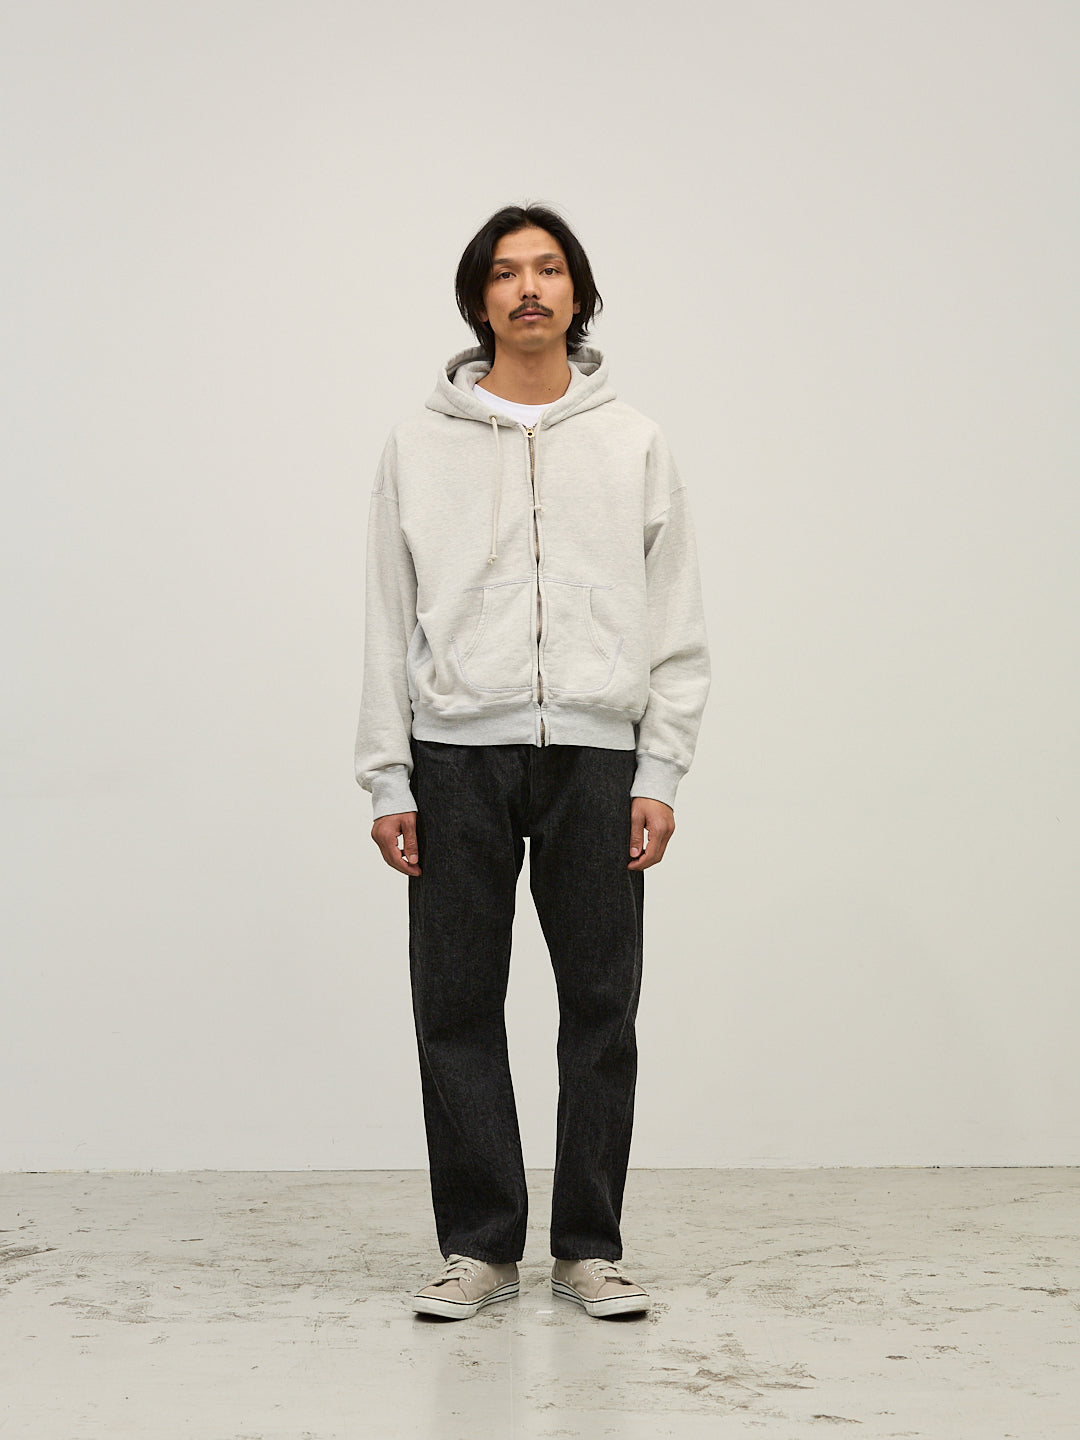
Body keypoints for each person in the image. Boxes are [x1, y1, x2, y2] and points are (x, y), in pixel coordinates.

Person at [355, 203, 710, 1320]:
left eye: (548, 269)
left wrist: (659, 771)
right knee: (456, 1004)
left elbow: (677, 621)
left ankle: (589, 1248)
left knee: (602, 1005)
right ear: (478, 300)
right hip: (455, 756)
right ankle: (480, 1247)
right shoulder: (418, 445)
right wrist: (387, 775)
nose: (528, 289)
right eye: (506, 273)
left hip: (597, 759)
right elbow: (386, 616)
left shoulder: (632, 441)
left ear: (577, 293)